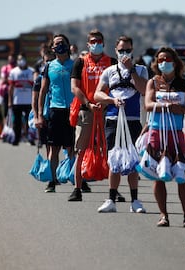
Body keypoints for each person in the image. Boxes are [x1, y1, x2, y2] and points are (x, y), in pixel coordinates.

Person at [94, 35, 148, 213]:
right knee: (114, 159)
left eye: (128, 50)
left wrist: (131, 69)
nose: (124, 53)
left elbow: (143, 90)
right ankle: (111, 199)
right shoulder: (109, 72)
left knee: (133, 160)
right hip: (113, 119)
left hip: (133, 120)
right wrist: (111, 100)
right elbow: (97, 94)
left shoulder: (140, 70)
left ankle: (135, 200)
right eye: (121, 50)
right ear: (115, 51)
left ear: (132, 51)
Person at [144, 47, 185, 227]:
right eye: (160, 60)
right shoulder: (153, 82)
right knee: (159, 175)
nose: (164, 62)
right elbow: (148, 105)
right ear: (156, 63)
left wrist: (180, 109)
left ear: (175, 62)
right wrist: (164, 105)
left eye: (167, 59)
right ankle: (163, 215)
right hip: (157, 133)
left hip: (176, 135)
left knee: (181, 174)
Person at [67, 29, 114, 201]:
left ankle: (113, 191)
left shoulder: (111, 62)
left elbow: (117, 86)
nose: (96, 44)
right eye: (93, 41)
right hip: (86, 112)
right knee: (80, 150)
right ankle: (77, 188)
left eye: (99, 41)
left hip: (108, 111)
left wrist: (106, 102)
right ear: (88, 44)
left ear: (103, 43)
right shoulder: (80, 62)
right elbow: (75, 87)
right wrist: (89, 103)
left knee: (111, 151)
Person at [36, 34, 75, 193]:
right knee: (54, 148)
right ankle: (52, 181)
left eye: (63, 43)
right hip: (54, 111)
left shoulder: (76, 64)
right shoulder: (49, 66)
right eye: (57, 44)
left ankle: (76, 180)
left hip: (73, 111)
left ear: (68, 44)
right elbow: (43, 91)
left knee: (73, 148)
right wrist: (39, 114)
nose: (60, 46)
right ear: (52, 48)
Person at [31, 47, 55, 154]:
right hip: (44, 115)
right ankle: (50, 166)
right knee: (48, 145)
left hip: (57, 112)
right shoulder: (39, 79)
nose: (49, 64)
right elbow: (34, 99)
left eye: (51, 61)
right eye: (47, 61)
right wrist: (36, 117)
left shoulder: (58, 77)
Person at [8, 53, 35, 146]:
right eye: (19, 59)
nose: (21, 61)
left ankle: (30, 137)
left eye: (23, 59)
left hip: (29, 101)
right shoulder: (13, 72)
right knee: (17, 121)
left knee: (29, 121)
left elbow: (35, 87)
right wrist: (10, 101)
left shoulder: (31, 71)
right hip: (17, 101)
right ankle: (16, 138)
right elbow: (10, 88)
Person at [0, 53, 16, 118]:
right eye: (9, 59)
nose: (11, 60)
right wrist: (11, 81)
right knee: (6, 109)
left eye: (12, 58)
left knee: (15, 109)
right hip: (7, 91)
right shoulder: (5, 68)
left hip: (15, 92)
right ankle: (6, 124)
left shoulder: (17, 68)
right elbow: (3, 78)